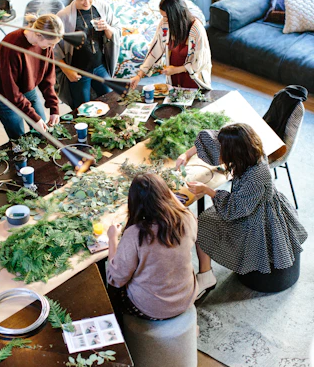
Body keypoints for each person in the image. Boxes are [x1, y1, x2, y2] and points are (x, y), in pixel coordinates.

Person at [176, 123, 308, 298]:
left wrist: (207, 190)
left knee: (202, 224)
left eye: (224, 150)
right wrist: (187, 154)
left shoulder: (256, 176)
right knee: (206, 217)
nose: (220, 152)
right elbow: (213, 137)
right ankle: (206, 273)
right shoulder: (250, 147)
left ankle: (206, 276)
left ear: (235, 152)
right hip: (249, 204)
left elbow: (233, 209)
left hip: (256, 217)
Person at [106, 173, 198, 320]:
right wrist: (162, 188)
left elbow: (116, 278)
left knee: (113, 289)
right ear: (165, 194)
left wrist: (112, 238)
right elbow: (182, 209)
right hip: (186, 297)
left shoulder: (135, 234)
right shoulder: (187, 219)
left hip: (152, 309)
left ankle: (121, 333)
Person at [0, 14, 63, 140]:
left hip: (28, 90)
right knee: (20, 139)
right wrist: (34, 118)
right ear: (38, 35)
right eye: (51, 43)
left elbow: (48, 79)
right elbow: (12, 92)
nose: (53, 47)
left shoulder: (45, 46)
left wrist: (54, 107)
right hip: (5, 98)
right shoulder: (11, 46)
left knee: (43, 132)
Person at [55, 0, 121, 109]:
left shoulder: (102, 7)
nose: (87, 3)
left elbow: (117, 30)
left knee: (111, 100)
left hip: (99, 66)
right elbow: (53, 48)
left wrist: (107, 28)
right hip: (78, 71)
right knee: (83, 108)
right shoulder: (63, 16)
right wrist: (67, 70)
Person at [130, 0, 211, 90]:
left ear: (175, 16)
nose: (163, 20)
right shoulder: (165, 25)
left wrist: (176, 70)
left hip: (193, 80)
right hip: (174, 79)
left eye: (166, 17)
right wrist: (139, 75)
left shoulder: (196, 30)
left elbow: (199, 63)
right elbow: (155, 49)